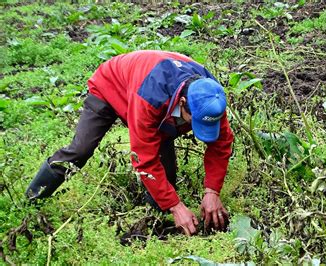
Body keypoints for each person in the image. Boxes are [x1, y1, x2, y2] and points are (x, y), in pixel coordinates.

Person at [25, 50, 234, 236]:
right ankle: (31, 200)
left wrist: (212, 192)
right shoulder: (150, 97)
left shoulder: (211, 97)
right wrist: (176, 206)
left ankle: (153, 224)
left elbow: (221, 144)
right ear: (182, 104)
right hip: (111, 86)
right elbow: (144, 159)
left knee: (166, 178)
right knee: (80, 150)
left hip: (156, 98)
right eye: (194, 121)